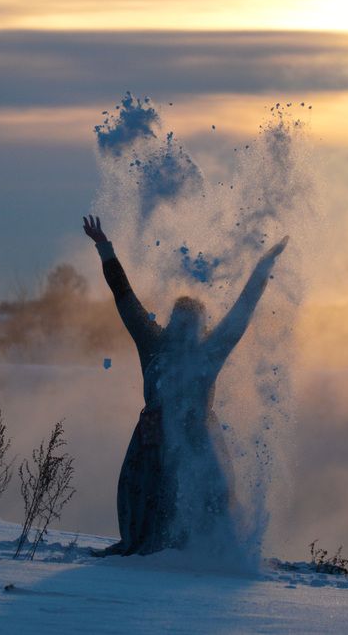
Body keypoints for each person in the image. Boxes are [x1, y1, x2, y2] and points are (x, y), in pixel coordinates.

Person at [83, 214, 288, 557]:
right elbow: (125, 296)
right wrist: (104, 247)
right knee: (148, 499)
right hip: (152, 441)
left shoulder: (209, 352)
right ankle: (151, 547)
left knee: (205, 498)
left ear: (200, 326)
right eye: (179, 321)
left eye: (190, 323)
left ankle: (204, 548)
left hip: (198, 441)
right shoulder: (152, 342)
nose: (183, 329)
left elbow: (242, 312)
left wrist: (263, 267)